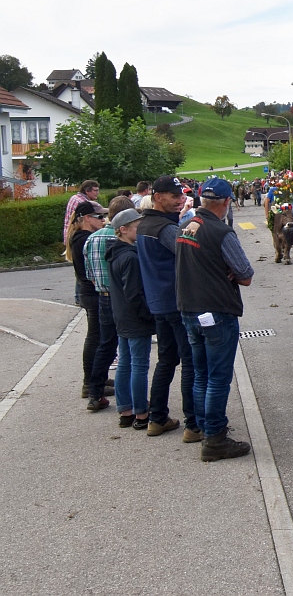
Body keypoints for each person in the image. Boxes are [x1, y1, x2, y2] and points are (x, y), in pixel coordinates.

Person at [175, 178, 255, 462]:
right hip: (216, 311)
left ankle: (200, 427)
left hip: (188, 308)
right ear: (225, 202)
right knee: (218, 377)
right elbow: (245, 274)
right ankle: (215, 438)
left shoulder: (184, 226)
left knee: (200, 373)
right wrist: (229, 272)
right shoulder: (222, 232)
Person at [138, 175, 196, 440]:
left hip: (158, 302)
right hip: (175, 302)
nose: (180, 200)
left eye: (181, 196)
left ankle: (157, 418)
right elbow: (189, 254)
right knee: (190, 362)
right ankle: (194, 424)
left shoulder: (144, 224)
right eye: (174, 196)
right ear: (157, 196)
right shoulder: (164, 228)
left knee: (167, 360)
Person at [83, 196, 137, 407]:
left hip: (102, 296)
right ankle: (132, 396)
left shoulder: (92, 239)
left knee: (105, 345)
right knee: (129, 349)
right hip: (123, 297)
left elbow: (88, 273)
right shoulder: (124, 240)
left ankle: (94, 392)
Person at [106, 209, 154, 431]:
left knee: (125, 363)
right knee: (139, 365)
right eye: (137, 227)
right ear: (123, 230)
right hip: (135, 319)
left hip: (121, 317)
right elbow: (134, 294)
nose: (140, 231)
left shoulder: (114, 253)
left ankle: (125, 410)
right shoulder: (130, 257)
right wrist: (148, 315)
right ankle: (141, 411)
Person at [67, 200, 106, 409]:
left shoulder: (80, 237)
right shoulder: (83, 238)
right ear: (86, 219)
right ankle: (89, 381)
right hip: (92, 292)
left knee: (97, 336)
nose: (103, 220)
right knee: (96, 337)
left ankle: (94, 377)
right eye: (99, 217)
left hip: (89, 292)